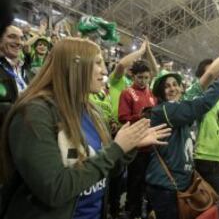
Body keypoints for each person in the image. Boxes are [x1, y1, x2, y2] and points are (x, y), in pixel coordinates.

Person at [0, 38, 171, 219]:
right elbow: (54, 190)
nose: (104, 71)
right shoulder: (34, 113)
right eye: (97, 63)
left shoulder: (93, 111)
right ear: (74, 65)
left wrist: (130, 146)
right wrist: (117, 148)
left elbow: (109, 171)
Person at [145, 48, 219, 219]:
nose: (172, 89)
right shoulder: (163, 110)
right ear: (160, 93)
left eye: (175, 84)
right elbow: (203, 103)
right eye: (166, 86)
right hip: (165, 186)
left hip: (181, 184)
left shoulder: (180, 105)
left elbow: (208, 75)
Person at [118, 60, 157, 219]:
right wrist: (140, 116)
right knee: (135, 184)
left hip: (152, 146)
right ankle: (133, 213)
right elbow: (122, 118)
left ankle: (149, 213)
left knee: (151, 184)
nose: (143, 81)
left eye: (146, 77)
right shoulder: (127, 93)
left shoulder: (152, 93)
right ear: (133, 76)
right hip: (136, 146)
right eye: (140, 77)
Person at [0, 25, 26, 129]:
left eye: (21, 38)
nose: (19, 42)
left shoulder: (25, 69)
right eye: (12, 36)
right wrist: (20, 108)